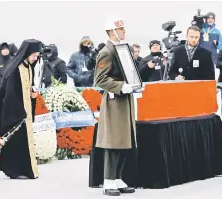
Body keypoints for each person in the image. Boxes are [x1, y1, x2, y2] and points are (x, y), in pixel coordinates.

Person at [93, 16, 136, 196]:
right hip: (114, 101)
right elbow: (100, 79)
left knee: (123, 140)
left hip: (123, 99)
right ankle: (108, 181)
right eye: (121, 29)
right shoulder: (106, 52)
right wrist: (120, 86)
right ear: (112, 32)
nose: (124, 32)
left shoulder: (121, 48)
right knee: (113, 142)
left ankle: (117, 178)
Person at [0, 39, 42, 179]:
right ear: (27, 53)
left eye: (37, 55)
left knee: (23, 142)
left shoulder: (29, 67)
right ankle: (14, 171)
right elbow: (10, 95)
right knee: (15, 142)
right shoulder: (15, 70)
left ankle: (25, 170)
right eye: (34, 55)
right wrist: (19, 112)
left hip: (23, 112)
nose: (35, 58)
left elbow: (28, 89)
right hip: (14, 113)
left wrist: (33, 95)